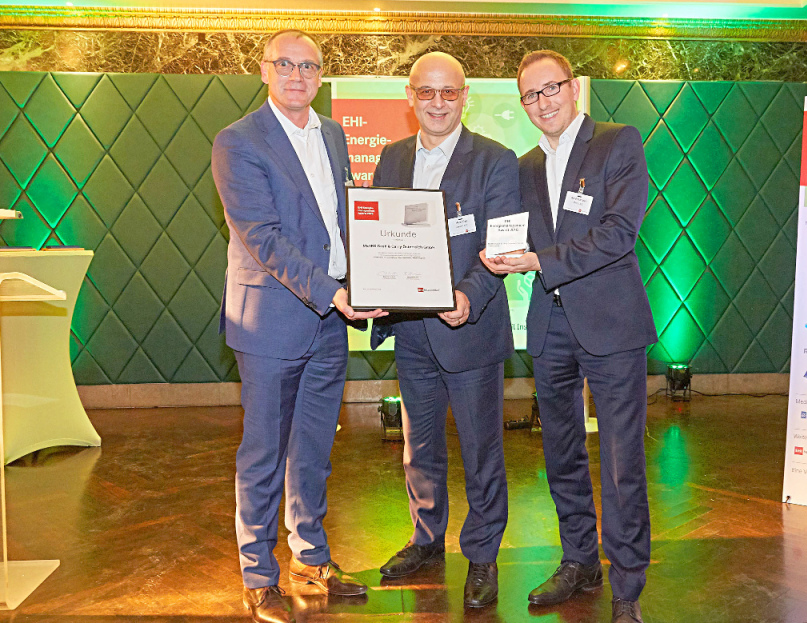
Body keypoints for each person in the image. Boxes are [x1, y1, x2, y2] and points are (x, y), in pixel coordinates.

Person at [211, 29, 386, 623]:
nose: (296, 75)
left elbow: (340, 223)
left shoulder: (332, 134)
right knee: (264, 453)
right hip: (271, 320)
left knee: (312, 447)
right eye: (284, 64)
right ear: (264, 70)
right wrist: (334, 292)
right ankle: (259, 576)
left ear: (321, 75)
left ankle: (310, 560)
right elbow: (262, 237)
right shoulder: (238, 141)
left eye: (308, 66)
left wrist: (370, 277)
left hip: (329, 320)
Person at [480, 49, 657, 623]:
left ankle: (627, 586)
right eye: (531, 95)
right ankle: (579, 561)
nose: (543, 101)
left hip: (611, 323)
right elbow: (514, 233)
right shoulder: (525, 165)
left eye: (551, 88)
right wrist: (494, 253)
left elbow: (619, 232)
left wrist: (538, 260)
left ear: (573, 87)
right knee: (560, 453)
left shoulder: (617, 141)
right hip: (549, 325)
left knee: (622, 461)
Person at [370, 51, 522, 608]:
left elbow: (502, 247)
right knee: (419, 449)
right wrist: (373, 287)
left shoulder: (496, 160)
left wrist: (469, 295)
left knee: (482, 452)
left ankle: (482, 554)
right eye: (427, 92)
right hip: (412, 333)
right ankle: (427, 540)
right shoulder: (391, 157)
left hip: (469, 331)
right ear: (410, 97)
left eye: (449, 92)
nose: (438, 103)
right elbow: (379, 238)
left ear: (465, 97)